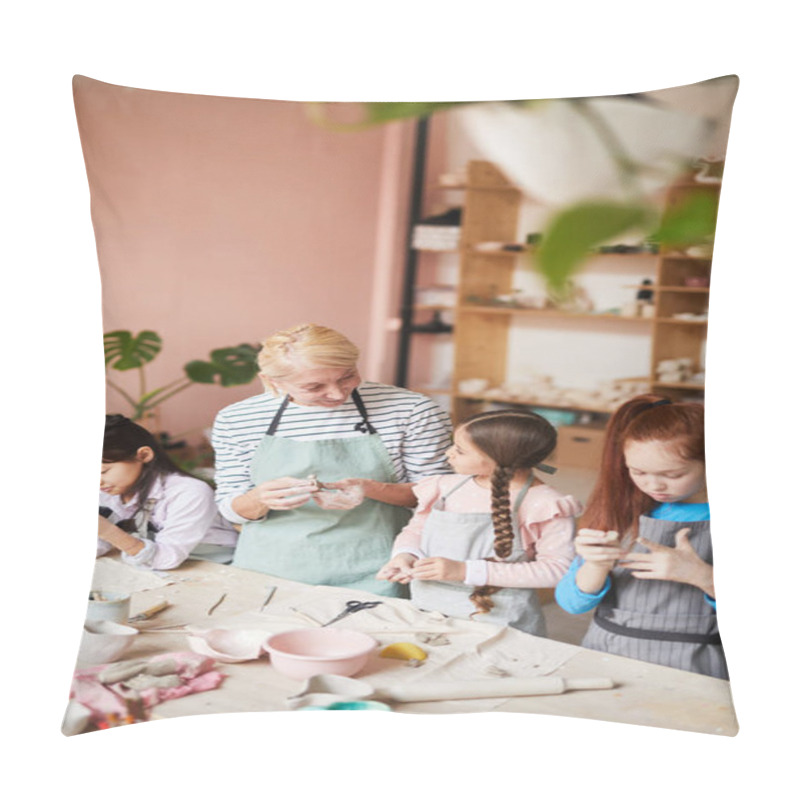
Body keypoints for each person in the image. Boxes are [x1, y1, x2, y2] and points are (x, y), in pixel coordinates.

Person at [211, 323, 452, 595]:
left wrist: (372, 489)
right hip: (271, 571)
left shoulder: (411, 410)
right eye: (314, 386)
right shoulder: (237, 419)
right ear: (272, 381)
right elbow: (230, 508)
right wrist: (258, 499)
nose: (338, 393)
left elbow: (442, 498)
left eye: (347, 376)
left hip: (380, 570)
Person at [555, 395, 728, 679]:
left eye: (673, 474)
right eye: (638, 472)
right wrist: (595, 566)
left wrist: (700, 576)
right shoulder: (620, 510)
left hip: (695, 665)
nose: (653, 484)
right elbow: (572, 604)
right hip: (606, 654)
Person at [376, 410, 580, 634]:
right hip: (428, 610)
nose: (448, 454)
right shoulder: (445, 486)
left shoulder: (545, 504)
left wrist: (465, 571)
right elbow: (417, 529)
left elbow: (557, 570)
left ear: (498, 458)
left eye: (460, 450)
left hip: (499, 623)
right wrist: (405, 555)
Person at [98, 415, 238, 570]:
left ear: (143, 455)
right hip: (166, 569)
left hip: (216, 569)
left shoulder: (188, 492)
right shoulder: (108, 492)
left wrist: (111, 533)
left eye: (103, 471)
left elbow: (165, 559)